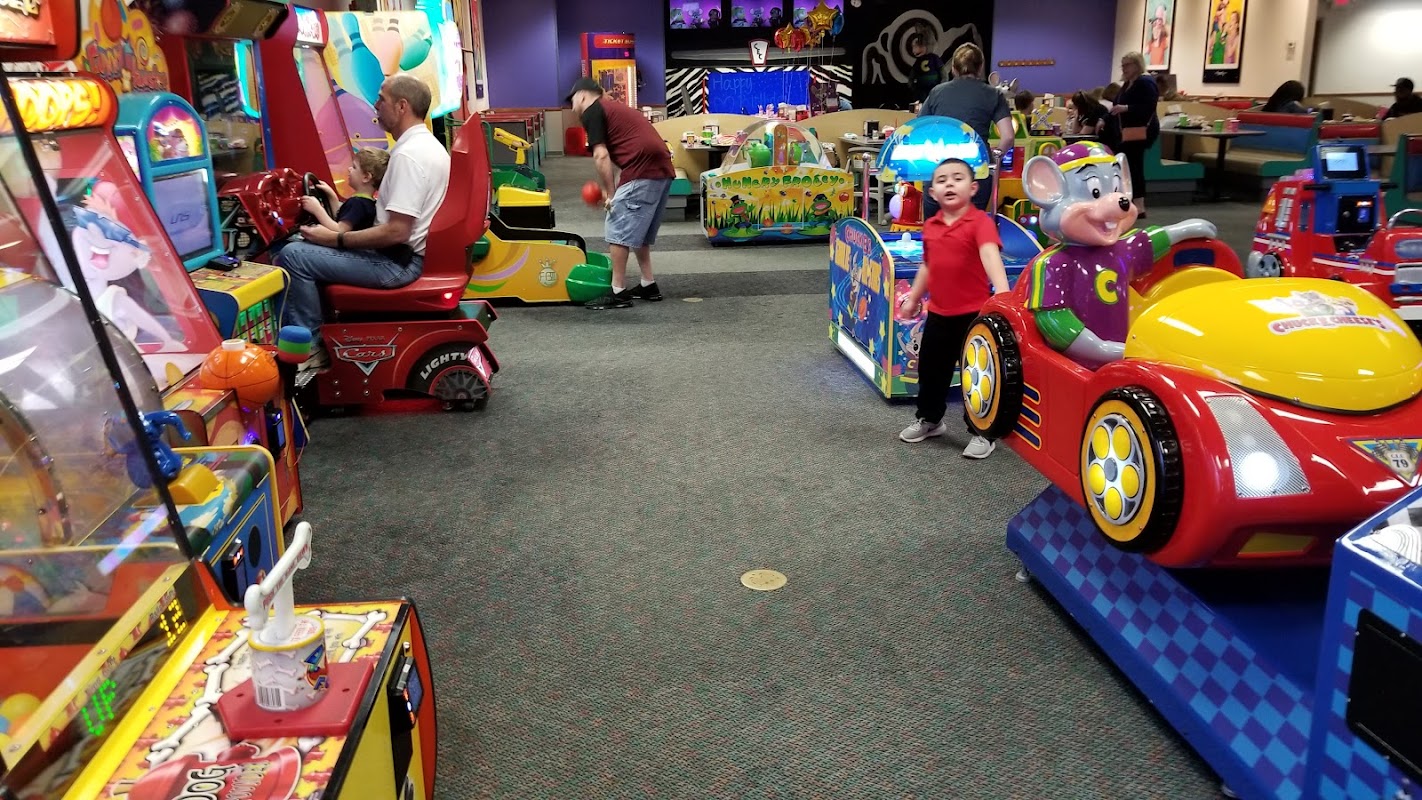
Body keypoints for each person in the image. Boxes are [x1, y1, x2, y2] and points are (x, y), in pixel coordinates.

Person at [276, 74, 449, 370]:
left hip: (397, 263)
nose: (375, 105)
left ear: (402, 106)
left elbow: (397, 231)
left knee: (293, 255)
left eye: (382, 99)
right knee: (306, 247)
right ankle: (324, 334)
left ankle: (311, 349)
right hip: (401, 256)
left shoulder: (409, 156)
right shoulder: (424, 146)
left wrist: (336, 239)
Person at [897, 158, 1010, 459]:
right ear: (932, 192)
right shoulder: (931, 226)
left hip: (974, 317)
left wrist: (1003, 293)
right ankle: (930, 419)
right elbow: (928, 265)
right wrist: (913, 298)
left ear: (973, 188)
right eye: (942, 179)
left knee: (978, 375)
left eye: (958, 178)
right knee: (931, 372)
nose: (950, 183)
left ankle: (982, 431)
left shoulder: (980, 222)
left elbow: (990, 256)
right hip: (938, 314)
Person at [568, 77, 675, 310]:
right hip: (661, 169)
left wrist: (610, 194)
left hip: (642, 168)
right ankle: (648, 284)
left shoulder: (592, 111)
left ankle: (618, 291)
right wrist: (615, 191)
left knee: (617, 229)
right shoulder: (614, 109)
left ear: (583, 96)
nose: (572, 106)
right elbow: (625, 155)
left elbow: (601, 155)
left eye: (572, 100)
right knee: (638, 230)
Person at [918, 43, 1015, 217]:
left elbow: (919, 128)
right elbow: (1008, 137)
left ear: (953, 69)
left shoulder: (936, 92)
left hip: (940, 172)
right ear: (981, 67)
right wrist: (995, 156)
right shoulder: (994, 94)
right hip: (977, 172)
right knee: (970, 229)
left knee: (936, 228)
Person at [1107, 52, 1159, 217]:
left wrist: (1127, 108)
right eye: (1123, 65)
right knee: (1127, 166)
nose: (1124, 68)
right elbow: (1116, 105)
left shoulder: (1145, 82)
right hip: (1126, 131)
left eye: (1127, 65)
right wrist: (1104, 119)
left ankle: (1139, 205)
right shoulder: (1128, 83)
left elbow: (1149, 106)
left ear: (1137, 65)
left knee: (1134, 167)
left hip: (1139, 131)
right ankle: (1131, 202)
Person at [301, 148, 390, 233]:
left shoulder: (357, 204)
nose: (349, 169)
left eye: (354, 167)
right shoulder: (367, 203)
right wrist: (332, 196)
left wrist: (317, 209)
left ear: (366, 177)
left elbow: (339, 230)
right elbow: (342, 217)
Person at [908, 34, 945, 104]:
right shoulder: (919, 60)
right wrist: (912, 84)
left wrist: (942, 84)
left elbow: (942, 72)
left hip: (934, 87)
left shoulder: (934, 58)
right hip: (921, 89)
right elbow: (913, 73)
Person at [1145, 3, 1170, 68]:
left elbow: (1170, 36)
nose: (1155, 30)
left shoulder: (1164, 42)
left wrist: (1164, 22)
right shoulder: (1150, 44)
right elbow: (1144, 51)